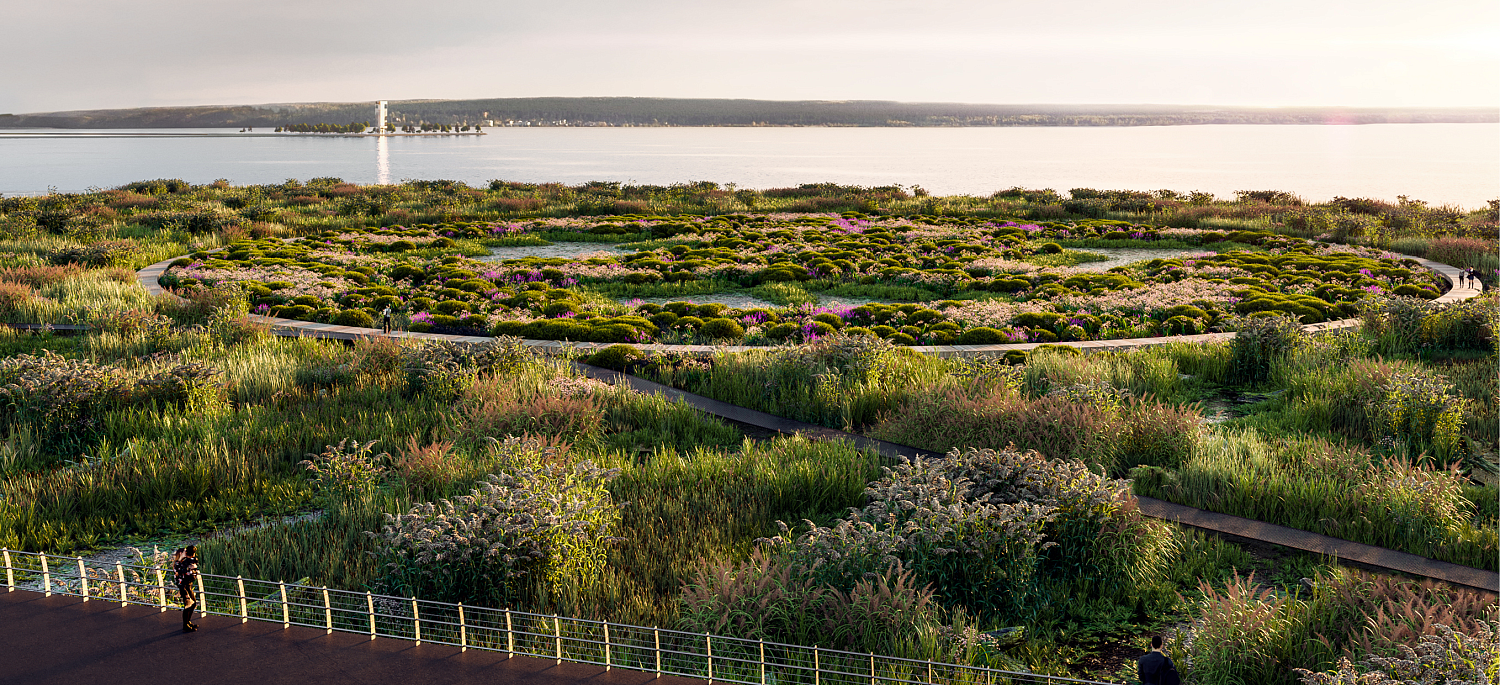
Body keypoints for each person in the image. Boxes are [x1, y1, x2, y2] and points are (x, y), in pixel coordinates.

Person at [173, 546, 201, 632]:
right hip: (183, 586)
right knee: (188, 605)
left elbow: (191, 568)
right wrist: (181, 559)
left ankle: (188, 622)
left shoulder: (186, 562)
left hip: (188, 585)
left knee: (193, 603)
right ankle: (185, 625)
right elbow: (178, 571)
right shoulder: (178, 564)